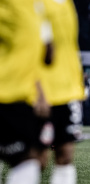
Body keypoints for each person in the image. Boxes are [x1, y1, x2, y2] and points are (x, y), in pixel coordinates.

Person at [0, 0, 51, 183]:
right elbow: (47, 53)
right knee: (29, 161)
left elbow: (45, 52)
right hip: (13, 94)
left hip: (19, 94)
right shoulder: (30, 9)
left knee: (32, 160)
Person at [38, 0, 85, 183]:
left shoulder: (67, 3)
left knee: (65, 155)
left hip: (68, 92)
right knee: (37, 159)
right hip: (40, 91)